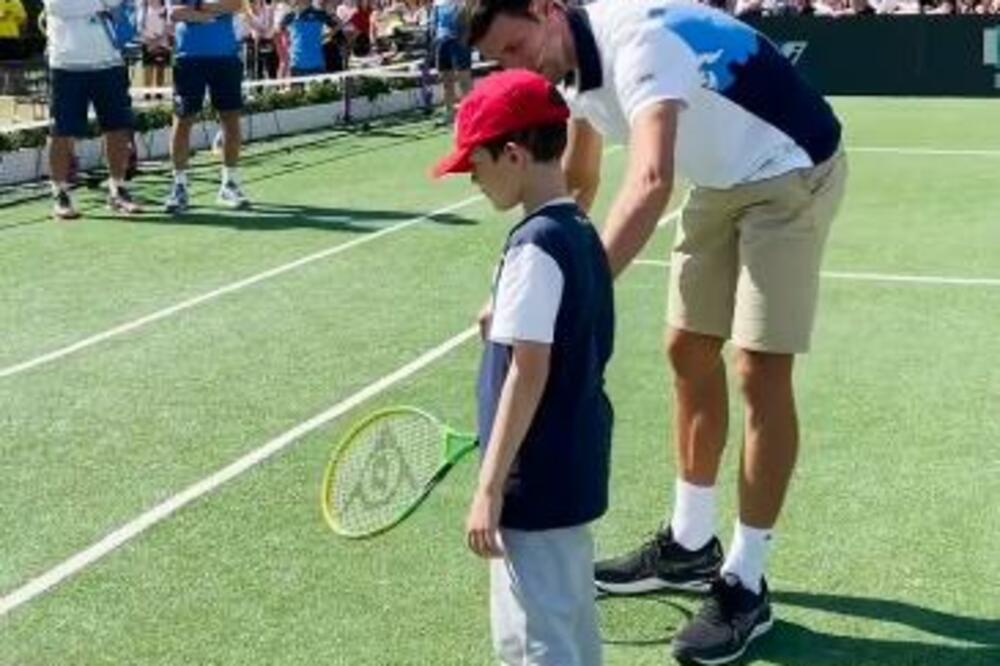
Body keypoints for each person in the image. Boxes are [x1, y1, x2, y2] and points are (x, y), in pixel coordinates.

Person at [466, 0, 847, 663]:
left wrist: (574, 295)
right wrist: (542, 277)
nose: (514, 66)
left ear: (548, 11)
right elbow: (577, 182)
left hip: (791, 166)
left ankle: (746, 582)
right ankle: (690, 543)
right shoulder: (563, 73)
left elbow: (649, 179)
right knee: (686, 350)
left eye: (516, 45)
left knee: (758, 368)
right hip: (720, 178)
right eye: (499, 60)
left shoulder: (637, 43)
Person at [433, 69, 614, 666]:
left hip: (532, 483)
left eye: (476, 165)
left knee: (535, 643)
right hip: (569, 465)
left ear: (511, 153)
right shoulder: (576, 229)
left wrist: (487, 488)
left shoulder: (535, 244)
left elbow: (528, 371)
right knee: (569, 628)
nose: (474, 180)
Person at [44, 0, 143, 219]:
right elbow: (60, 7)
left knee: (117, 128)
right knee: (62, 131)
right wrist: (102, 5)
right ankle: (60, 193)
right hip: (66, 65)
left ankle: (117, 189)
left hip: (110, 63)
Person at [164, 0, 250, 214]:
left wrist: (198, 7)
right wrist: (211, 10)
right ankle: (179, 185)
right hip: (189, 59)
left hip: (226, 58)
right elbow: (175, 12)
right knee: (183, 121)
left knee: (230, 120)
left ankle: (229, 184)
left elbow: (236, 5)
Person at [427, 0, 471, 124]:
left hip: (458, 43)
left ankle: (471, 114)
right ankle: (449, 114)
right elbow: (433, 24)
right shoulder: (437, 3)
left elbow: (468, 21)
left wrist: (464, 39)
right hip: (441, 43)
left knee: (464, 80)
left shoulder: (462, 2)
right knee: (445, 80)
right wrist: (433, 40)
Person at [279, 0, 338, 77]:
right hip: (296, 64)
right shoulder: (290, 15)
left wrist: (325, 36)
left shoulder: (319, 14)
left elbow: (336, 26)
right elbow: (280, 28)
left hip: (317, 64)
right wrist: (288, 40)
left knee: (319, 89)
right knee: (296, 89)